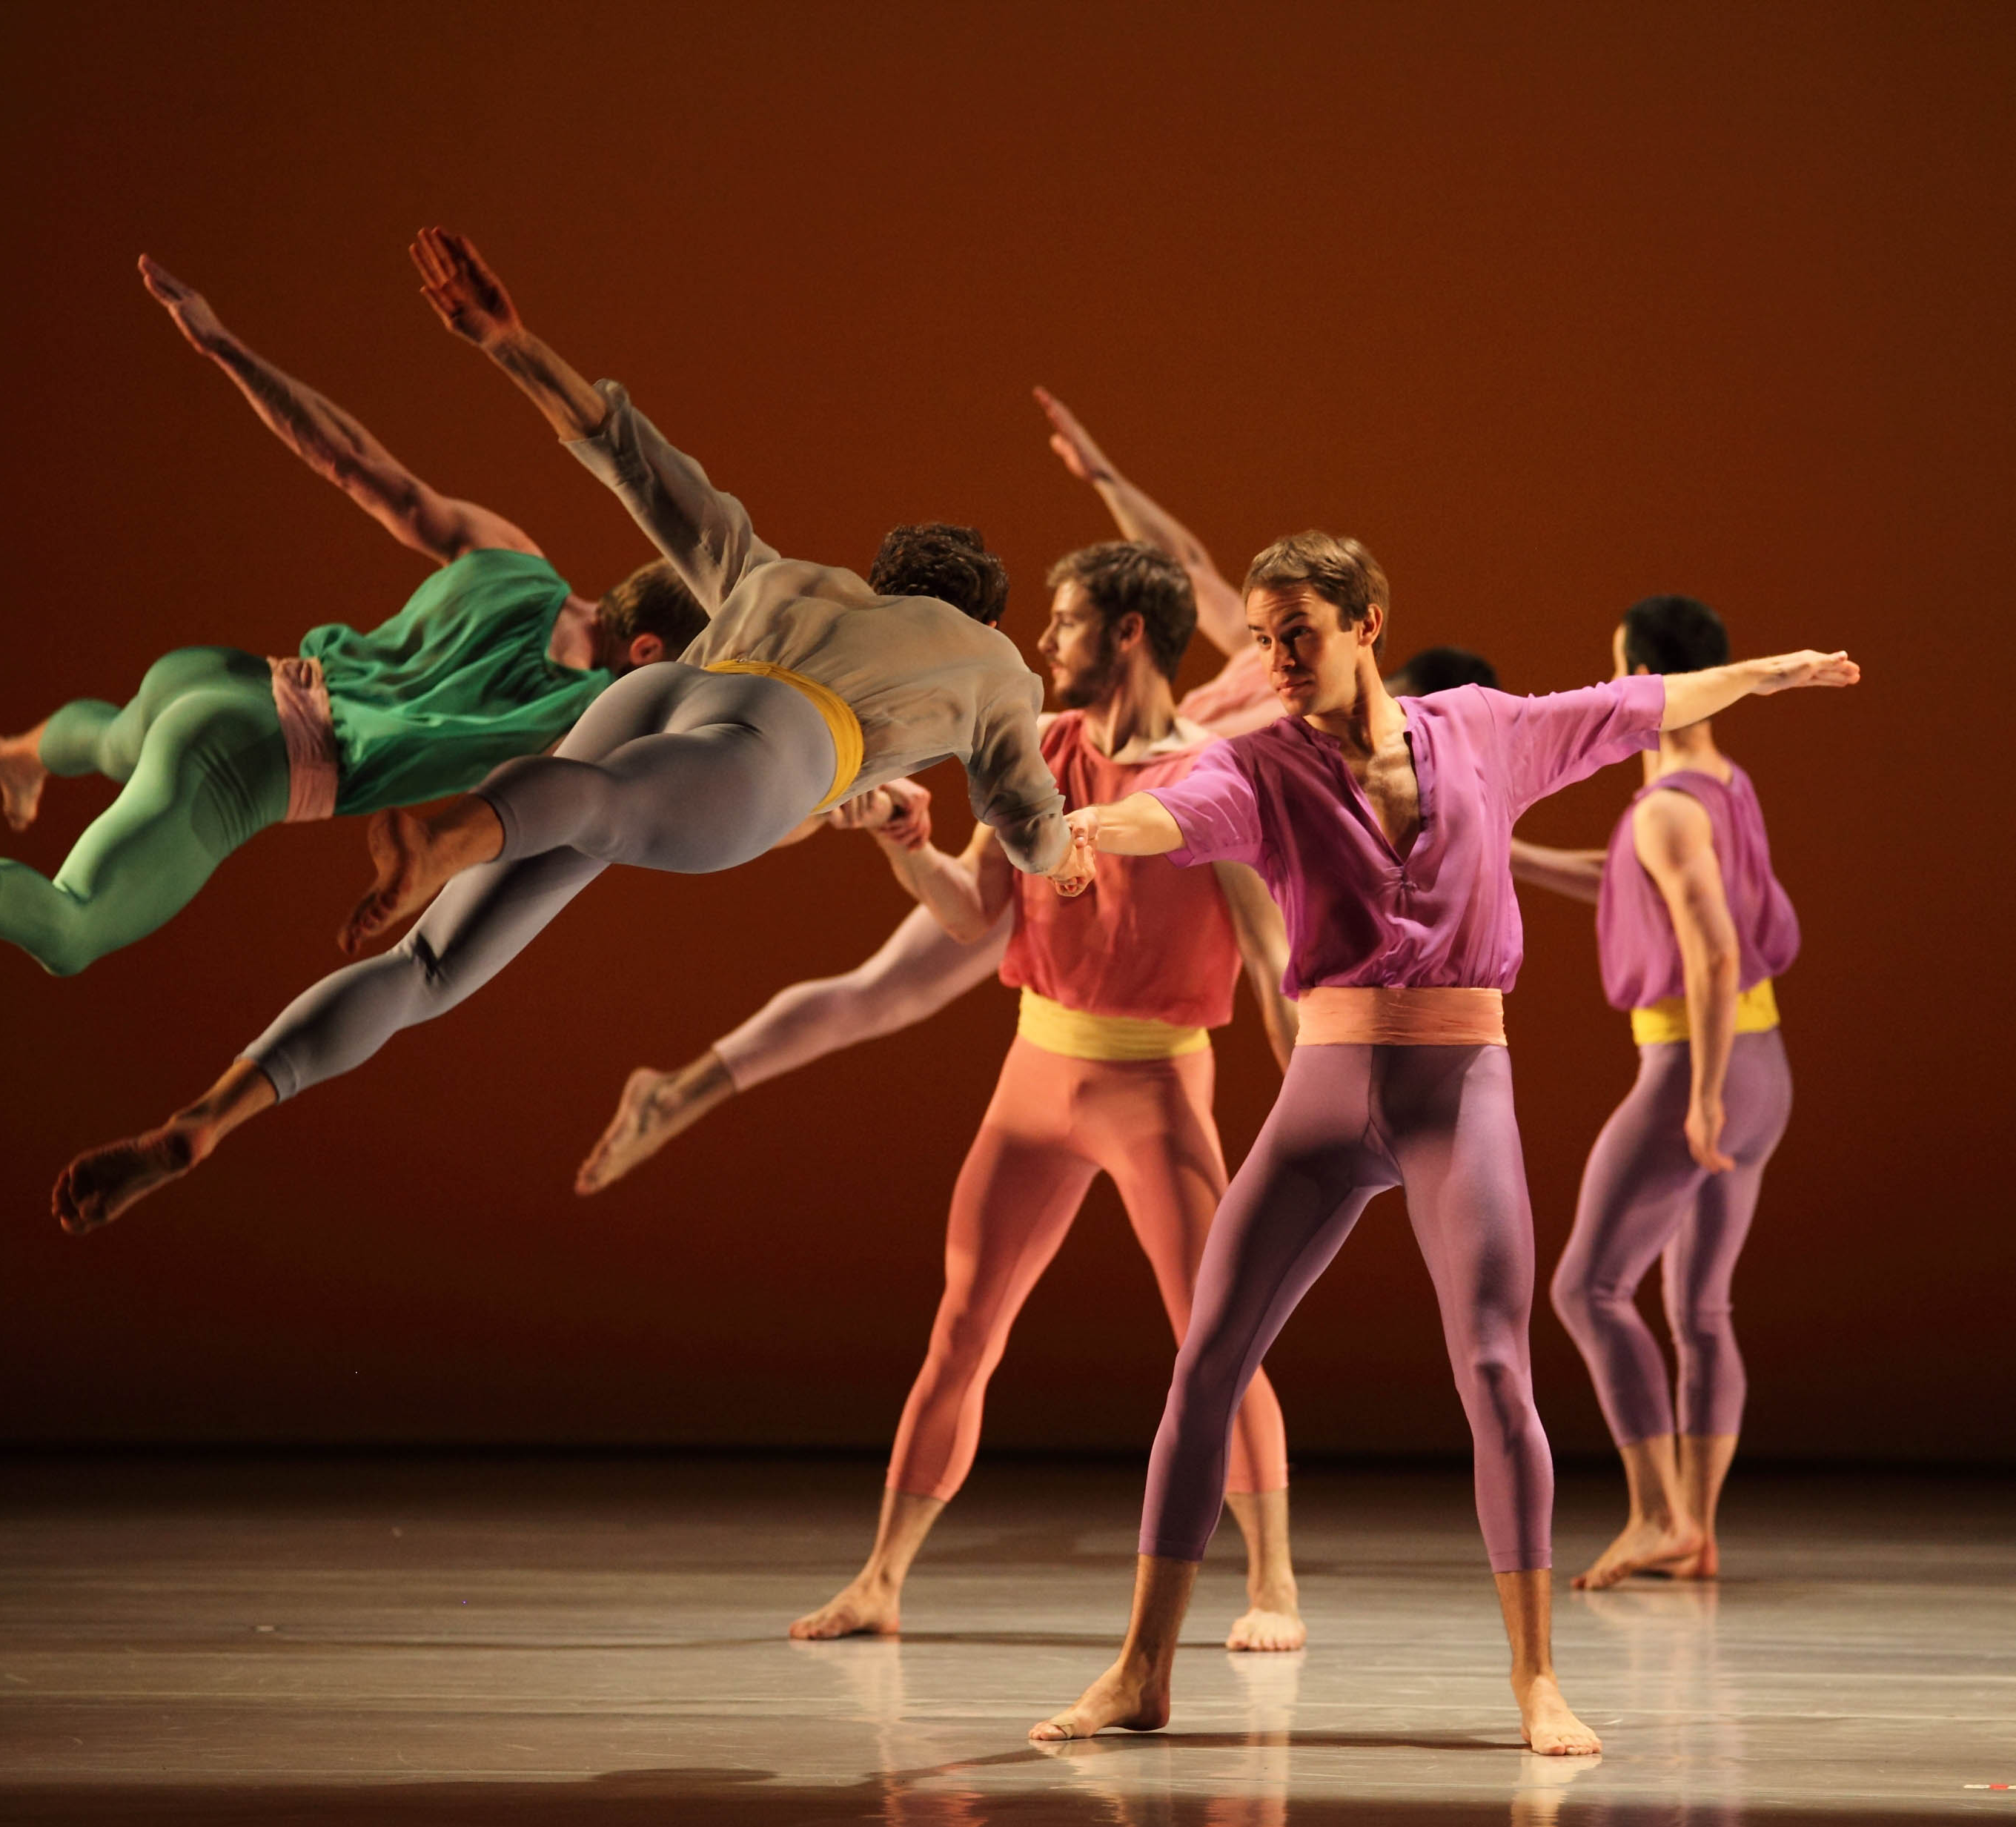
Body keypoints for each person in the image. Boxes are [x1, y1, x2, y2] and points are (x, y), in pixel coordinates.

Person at [46, 228, 1087, 1233]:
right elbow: (1019, 814)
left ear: (886, 577)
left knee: (445, 946)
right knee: (560, 855)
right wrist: (1067, 860)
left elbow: (643, 468)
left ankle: (204, 1118)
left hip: (671, 688)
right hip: (784, 742)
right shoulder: (994, 662)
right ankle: (432, 850)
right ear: (980, 611)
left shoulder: (785, 574)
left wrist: (510, 343)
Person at [1027, 532, 1856, 1755]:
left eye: (1296, 629)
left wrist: (1769, 672)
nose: (1275, 656)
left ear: (1365, 623)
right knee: (1206, 1359)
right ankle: (1142, 1668)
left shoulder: (1475, 729)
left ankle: (1535, 1680)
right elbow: (1170, 808)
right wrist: (1100, 829)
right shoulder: (1259, 762)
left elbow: (1629, 703)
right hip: (1327, 1081)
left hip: (1457, 1083)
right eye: (1261, 636)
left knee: (1493, 1367)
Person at [576, 391, 1504, 1195]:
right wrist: (1104, 476)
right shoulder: (1290, 669)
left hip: (1142, 872)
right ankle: (685, 1066)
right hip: (1093, 812)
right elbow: (1185, 564)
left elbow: (1279, 961)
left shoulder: (1350, 786)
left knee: (890, 982)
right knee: (884, 986)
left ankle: (754, 817)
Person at [0, 257, 706, 975]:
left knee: (123, 743)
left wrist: (225, 346)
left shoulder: (512, 556)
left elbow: (351, 460)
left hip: (223, 677)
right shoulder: (577, 717)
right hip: (250, 760)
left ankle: (20, 754)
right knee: (75, 927)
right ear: (651, 647)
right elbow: (679, 800)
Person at [785, 540, 1307, 1651]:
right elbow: (975, 910)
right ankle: (880, 1577)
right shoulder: (1042, 751)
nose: (1041, 640)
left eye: (1064, 619)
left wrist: (1317, 1118)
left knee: (1215, 1339)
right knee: (961, 1329)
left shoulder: (1216, 777)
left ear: (1125, 631)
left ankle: (1273, 1587)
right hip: (1034, 1074)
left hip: (1157, 1085)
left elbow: (1270, 964)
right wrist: (903, 840)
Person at [1513, 596, 1797, 1589]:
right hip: (1767, 1065)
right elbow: (1626, 879)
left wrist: (1704, 1094)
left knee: (1584, 1286)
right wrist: (1507, 857)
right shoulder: (1715, 785)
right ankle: (1696, 1530)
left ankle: (1652, 1512)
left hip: (1697, 1066)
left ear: (1648, 679)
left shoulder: (1668, 805)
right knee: (1700, 1307)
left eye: (1618, 674)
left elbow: (1713, 952)